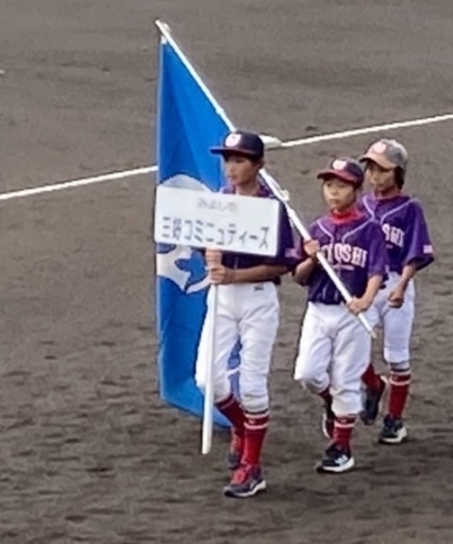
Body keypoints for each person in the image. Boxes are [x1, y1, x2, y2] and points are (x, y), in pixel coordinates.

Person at [195, 130, 296, 498]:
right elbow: (202, 244)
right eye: (228, 160)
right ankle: (242, 426)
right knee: (207, 379)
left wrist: (234, 275)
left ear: (258, 164)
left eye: (239, 160)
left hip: (256, 299)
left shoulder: (272, 208)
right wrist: (209, 255)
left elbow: (282, 263)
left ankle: (251, 467)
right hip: (222, 298)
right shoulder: (219, 202)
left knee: (252, 385)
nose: (231, 168)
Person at [292, 157, 387, 473]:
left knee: (346, 378)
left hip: (352, 313)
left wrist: (366, 300)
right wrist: (311, 259)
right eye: (329, 185)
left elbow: (376, 271)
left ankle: (341, 448)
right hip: (318, 309)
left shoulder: (369, 229)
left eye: (341, 186)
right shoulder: (316, 229)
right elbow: (299, 277)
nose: (333, 192)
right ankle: (331, 402)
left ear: (356, 190)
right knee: (307, 374)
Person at [356, 138, 435, 444]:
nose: (375, 176)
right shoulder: (361, 205)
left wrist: (402, 286)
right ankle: (374, 385)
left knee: (397, 357)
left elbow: (415, 251)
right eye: (371, 169)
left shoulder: (409, 208)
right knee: (353, 348)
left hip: (394, 283)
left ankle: (394, 419)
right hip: (365, 285)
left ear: (398, 173)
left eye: (382, 170)